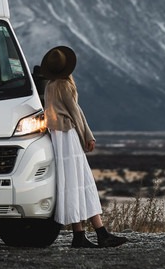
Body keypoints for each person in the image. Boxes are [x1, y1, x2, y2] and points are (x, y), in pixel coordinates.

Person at [38, 45, 128, 249]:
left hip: (56, 137)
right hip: (68, 136)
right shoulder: (65, 86)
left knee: (71, 183)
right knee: (82, 180)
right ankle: (101, 233)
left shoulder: (49, 85)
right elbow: (75, 113)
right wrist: (87, 136)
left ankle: (79, 235)